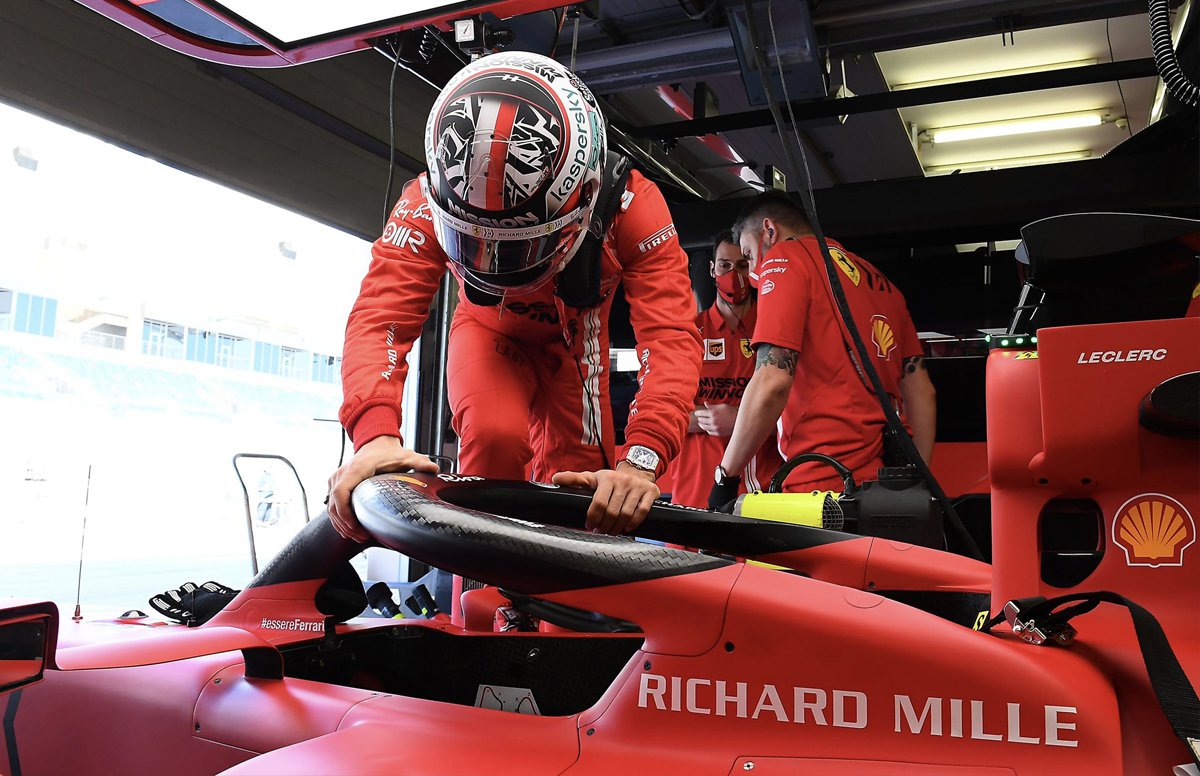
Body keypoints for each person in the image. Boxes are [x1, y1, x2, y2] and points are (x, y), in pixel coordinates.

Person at [327, 52, 701, 540]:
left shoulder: (633, 207)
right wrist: (374, 436)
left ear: (583, 198)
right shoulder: (422, 199)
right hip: (487, 333)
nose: (496, 266)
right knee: (492, 438)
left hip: (578, 346)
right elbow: (381, 318)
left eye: (518, 242)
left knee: (591, 499)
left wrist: (643, 459)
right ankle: (479, 606)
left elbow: (671, 338)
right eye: (473, 240)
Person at [709, 192, 935, 508]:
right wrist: (917, 482)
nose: (750, 273)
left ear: (769, 231)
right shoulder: (881, 282)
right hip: (888, 492)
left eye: (748, 255)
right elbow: (921, 392)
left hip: (819, 489)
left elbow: (772, 380)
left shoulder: (784, 259)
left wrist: (725, 476)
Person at [665, 233, 781, 507]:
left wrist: (739, 420)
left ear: (754, 267)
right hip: (694, 490)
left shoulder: (775, 329)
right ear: (711, 269)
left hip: (762, 490)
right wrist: (706, 420)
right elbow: (662, 410)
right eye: (725, 265)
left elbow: (795, 411)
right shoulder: (688, 332)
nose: (733, 274)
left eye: (742, 265)